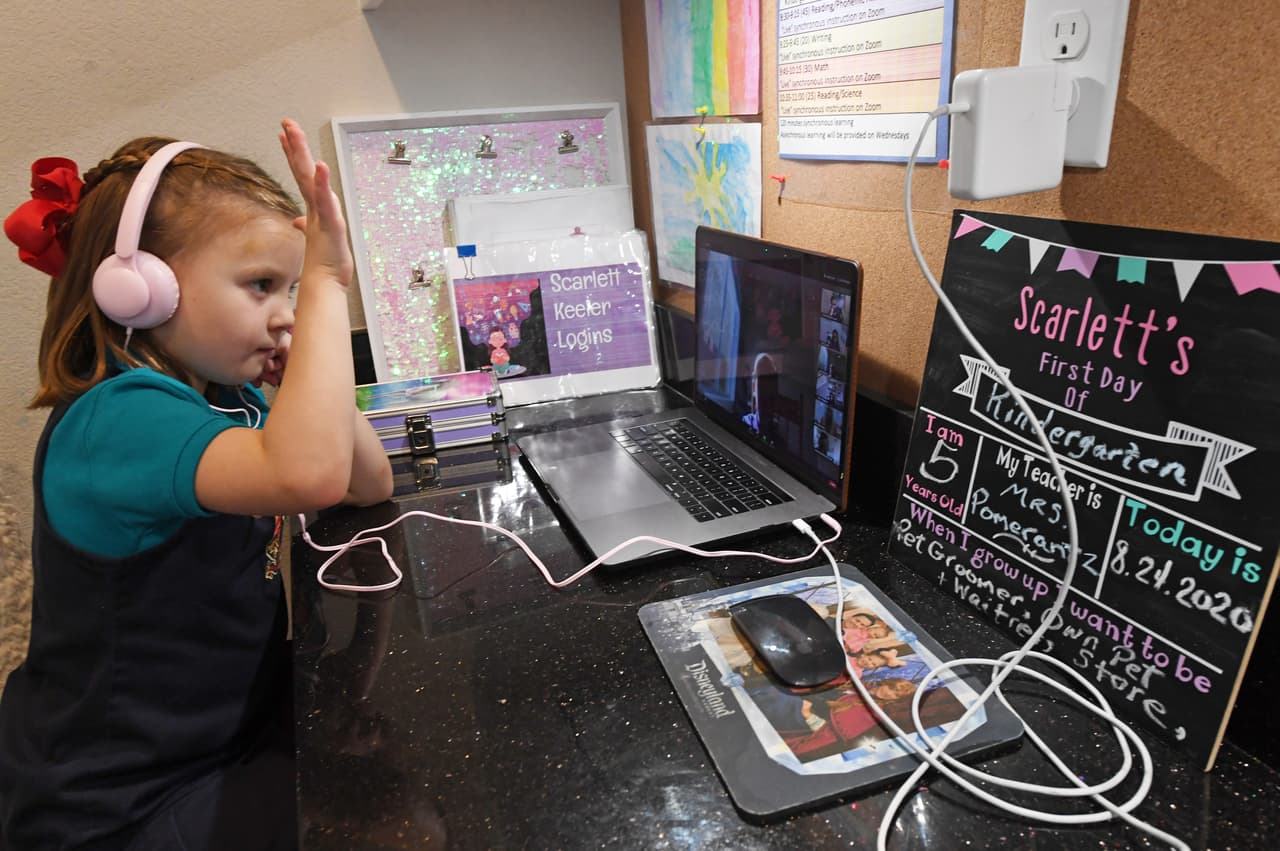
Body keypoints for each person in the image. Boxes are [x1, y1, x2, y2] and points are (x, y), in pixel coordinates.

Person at [0, 120, 393, 850]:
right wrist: (328, 286)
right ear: (140, 289)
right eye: (261, 285)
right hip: (119, 801)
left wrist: (302, 370)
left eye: (293, 288)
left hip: (219, 738)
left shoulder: (227, 397)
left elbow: (367, 481)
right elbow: (310, 475)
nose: (287, 313)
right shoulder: (119, 420)